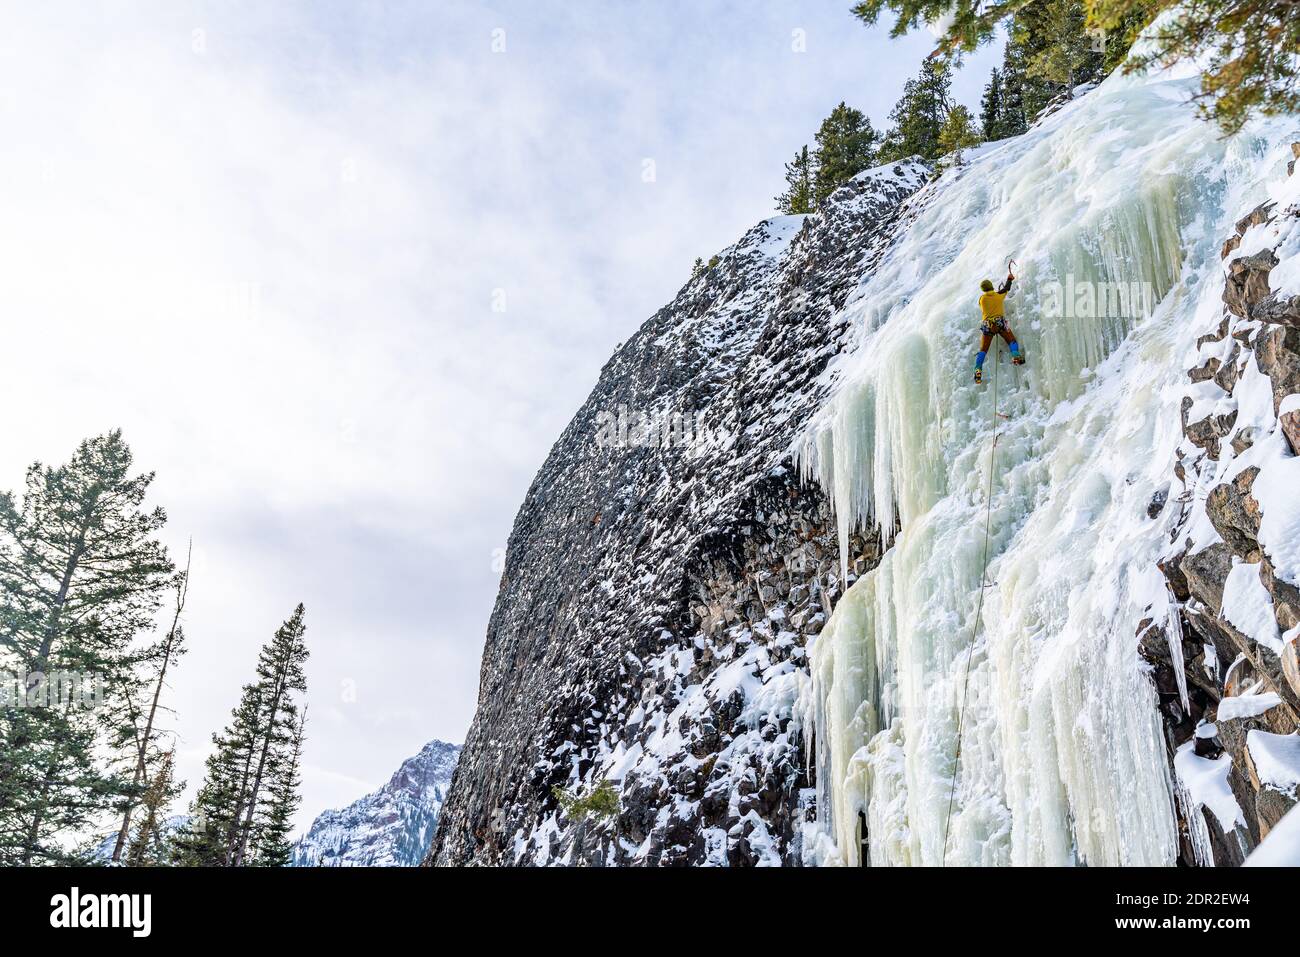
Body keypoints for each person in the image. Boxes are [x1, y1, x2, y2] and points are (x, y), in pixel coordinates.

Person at [974, 269, 1025, 383]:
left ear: (983, 289)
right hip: (999, 322)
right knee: (1011, 340)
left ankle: (978, 369)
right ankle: (1016, 356)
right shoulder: (998, 296)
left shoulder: (982, 299)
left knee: (983, 349)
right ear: (991, 286)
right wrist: (1009, 279)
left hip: (988, 325)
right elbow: (1006, 289)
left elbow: (988, 298)